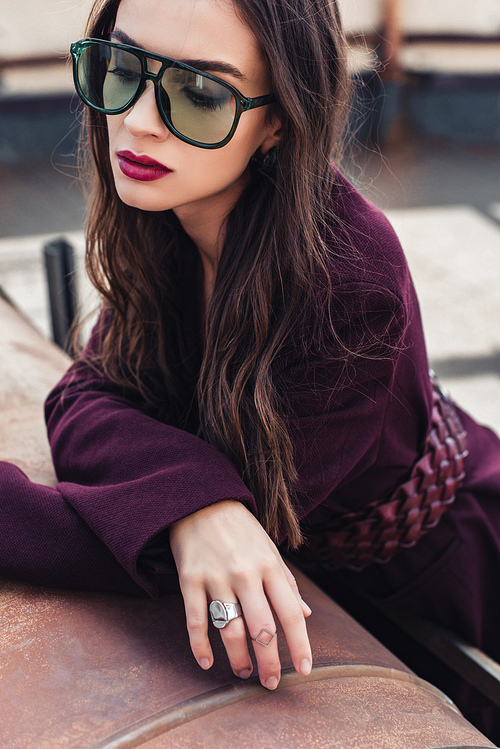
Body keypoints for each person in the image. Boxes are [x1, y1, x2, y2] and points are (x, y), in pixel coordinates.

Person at [1, 0, 500, 739]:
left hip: (442, 571)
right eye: (123, 67)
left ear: (277, 123)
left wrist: (190, 510)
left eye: (201, 94)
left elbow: (162, 562)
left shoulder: (349, 277)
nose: (138, 121)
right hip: (327, 568)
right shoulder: (165, 205)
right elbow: (85, 392)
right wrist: (201, 504)